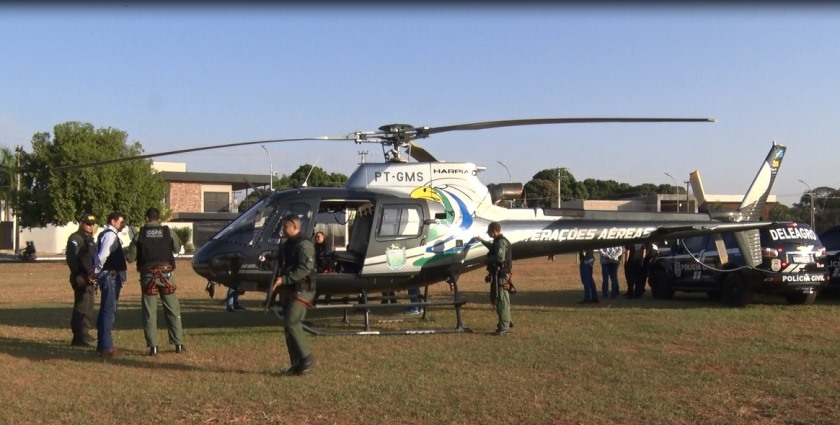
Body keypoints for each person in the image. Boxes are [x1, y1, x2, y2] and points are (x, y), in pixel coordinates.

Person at [127, 207, 185, 356]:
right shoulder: (168, 232)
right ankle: (178, 344)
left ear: (146, 219)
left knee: (149, 312)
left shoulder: (139, 235)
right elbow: (177, 248)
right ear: (159, 219)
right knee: (173, 310)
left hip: (148, 277)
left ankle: (153, 346)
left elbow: (130, 258)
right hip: (166, 276)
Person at [273, 214, 317, 376]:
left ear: (295, 227)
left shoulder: (304, 244)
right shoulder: (286, 245)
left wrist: (284, 279)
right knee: (288, 326)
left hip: (302, 289)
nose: (283, 230)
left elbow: (305, 268)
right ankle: (297, 364)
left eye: (286, 227)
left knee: (292, 322)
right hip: (289, 289)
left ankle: (306, 357)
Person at [93, 211, 128, 356]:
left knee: (105, 310)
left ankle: (103, 344)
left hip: (109, 276)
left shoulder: (106, 234)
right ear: (113, 222)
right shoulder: (110, 235)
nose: (123, 224)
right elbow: (102, 256)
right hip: (110, 277)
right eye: (121, 222)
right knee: (109, 311)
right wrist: (96, 271)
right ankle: (106, 347)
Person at [65, 213, 98, 347]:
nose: (90, 227)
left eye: (92, 224)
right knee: (81, 307)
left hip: (89, 278)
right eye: (87, 224)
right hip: (80, 277)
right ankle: (78, 337)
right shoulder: (76, 238)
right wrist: (77, 274)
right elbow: (71, 258)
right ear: (81, 223)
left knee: (88, 307)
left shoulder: (89, 239)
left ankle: (85, 333)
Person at [476, 221, 513, 336]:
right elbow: (492, 247)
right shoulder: (497, 242)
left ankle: (504, 326)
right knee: (495, 298)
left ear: (494, 231)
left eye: (489, 232)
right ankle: (506, 321)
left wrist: (486, 260)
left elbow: (500, 257)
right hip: (497, 274)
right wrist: (481, 240)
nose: (489, 234)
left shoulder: (501, 242)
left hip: (501, 274)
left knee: (501, 299)